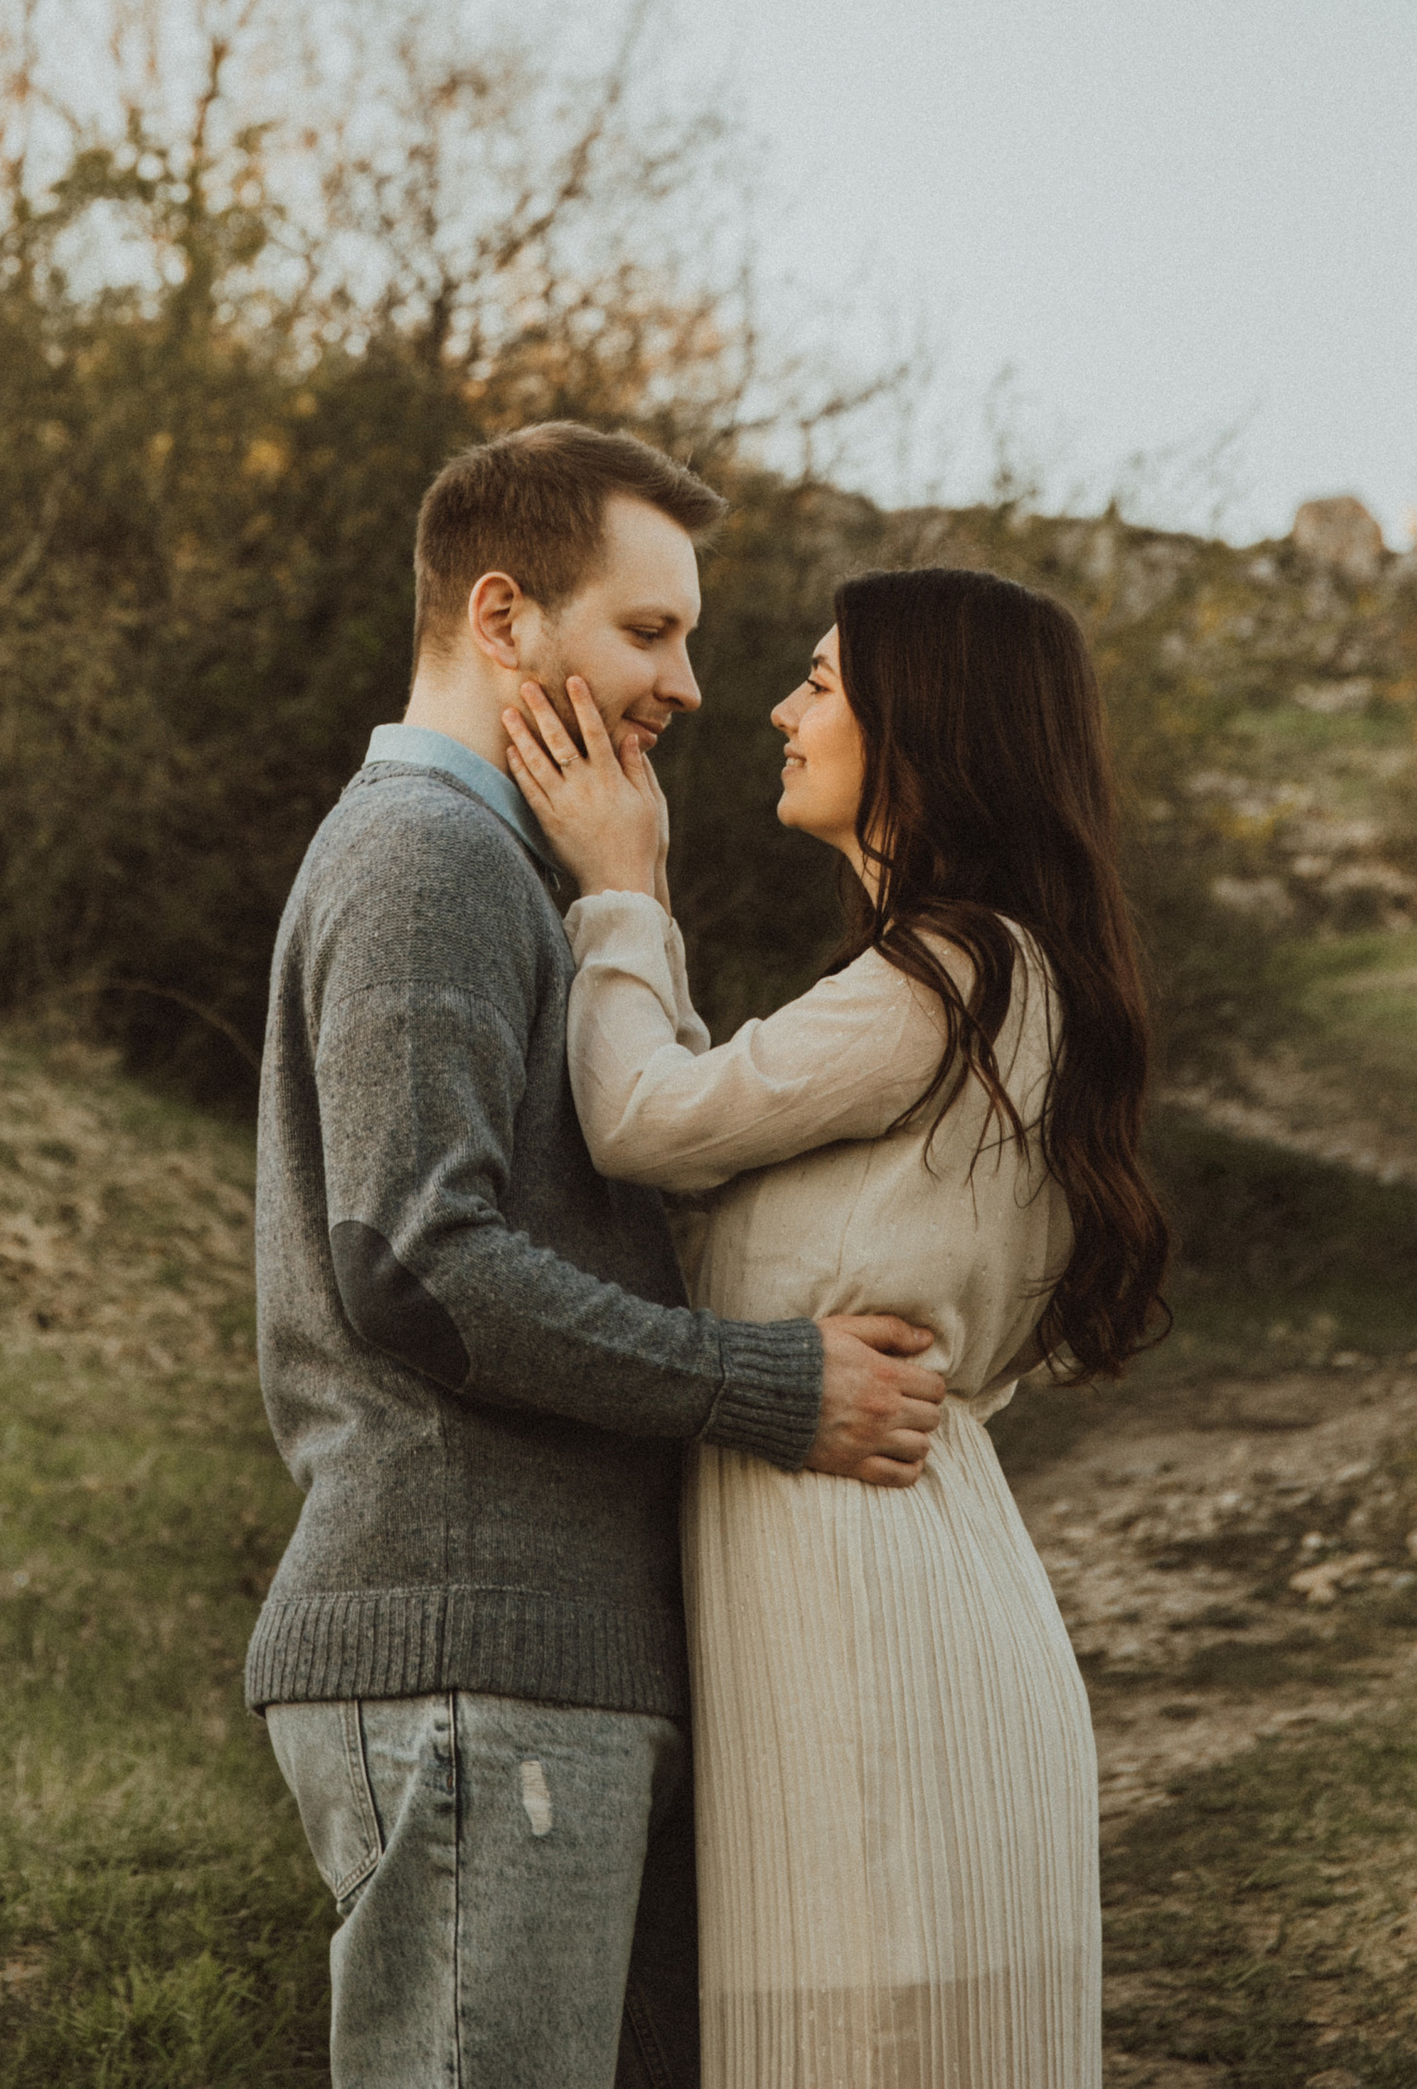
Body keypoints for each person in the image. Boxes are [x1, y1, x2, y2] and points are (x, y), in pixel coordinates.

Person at [248, 425, 952, 2089]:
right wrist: (775, 1388)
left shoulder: (502, 867)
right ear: (502, 619)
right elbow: (415, 1266)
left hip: (544, 1666)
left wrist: (624, 901)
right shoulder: (422, 857)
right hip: (466, 1652)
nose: (693, 686)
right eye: (650, 633)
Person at [503, 561, 1170, 2089]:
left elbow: (642, 1117)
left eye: (820, 684)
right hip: (907, 1553)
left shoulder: (944, 974)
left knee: (853, 2040)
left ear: (921, 731)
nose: (783, 713)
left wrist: (621, 889)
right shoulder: (999, 978)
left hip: (855, 1587)